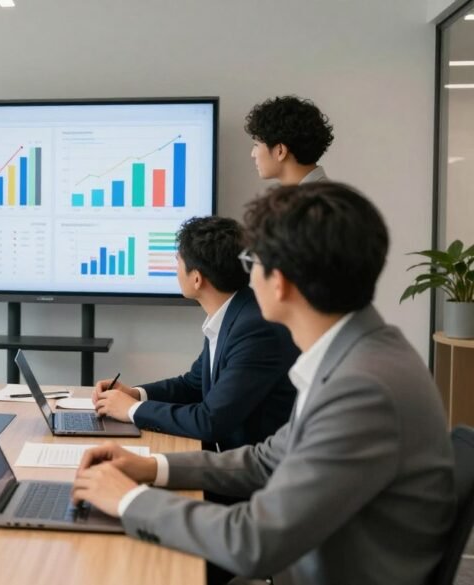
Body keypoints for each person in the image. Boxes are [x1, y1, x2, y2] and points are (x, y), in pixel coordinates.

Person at [72, 183, 455, 585]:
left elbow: (254, 541)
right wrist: (150, 467)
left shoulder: (363, 388)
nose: (245, 273)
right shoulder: (356, 355)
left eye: (251, 260)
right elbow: (265, 460)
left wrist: (129, 499)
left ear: (281, 281)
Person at [93, 216, 298, 452]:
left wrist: (131, 410)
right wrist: (136, 395)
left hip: (249, 476)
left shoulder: (255, 329)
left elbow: (209, 421)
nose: (175, 268)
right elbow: (193, 385)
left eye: (178, 261)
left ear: (197, 278)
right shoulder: (234, 313)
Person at [246, 95, 334, 185]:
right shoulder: (324, 193)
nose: (252, 154)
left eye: (256, 145)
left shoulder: (314, 198)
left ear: (280, 151)